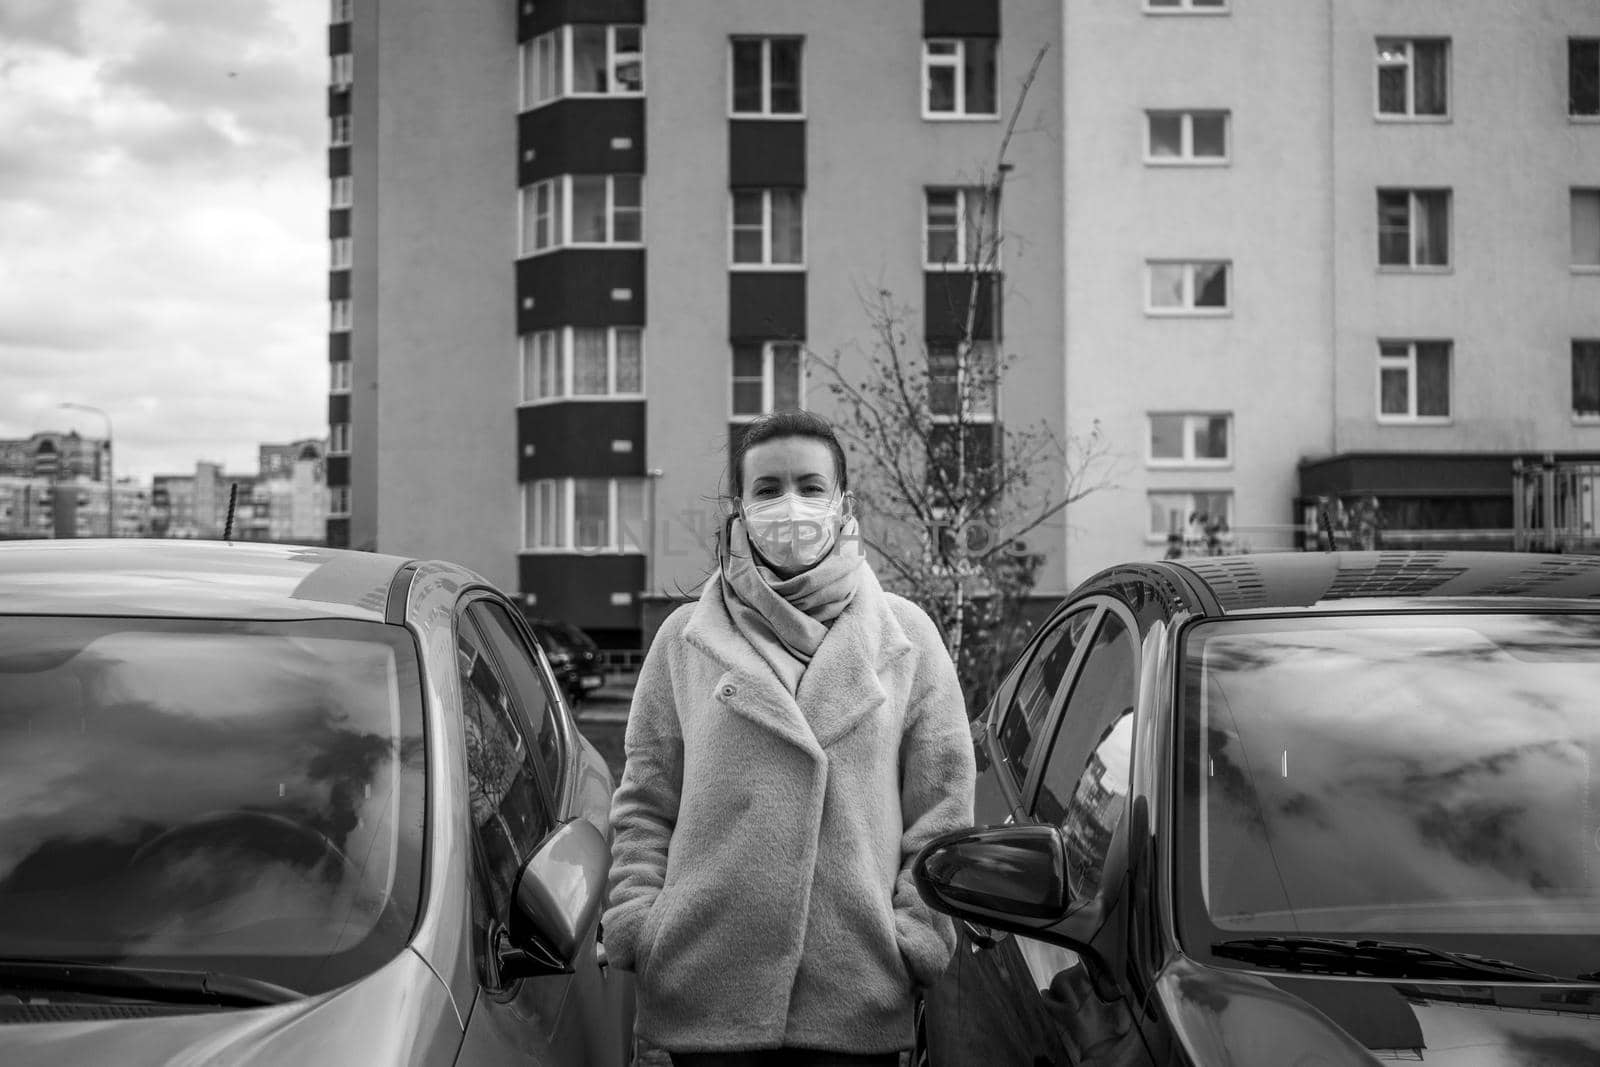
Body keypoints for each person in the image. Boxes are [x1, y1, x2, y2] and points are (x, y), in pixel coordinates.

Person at [603, 410, 977, 1066]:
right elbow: (644, 804)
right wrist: (642, 923)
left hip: (857, 994)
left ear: (844, 504)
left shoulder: (906, 638)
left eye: (809, 485)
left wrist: (917, 940)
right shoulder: (682, 640)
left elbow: (942, 809)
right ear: (740, 510)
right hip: (704, 990)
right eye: (768, 488)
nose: (790, 505)